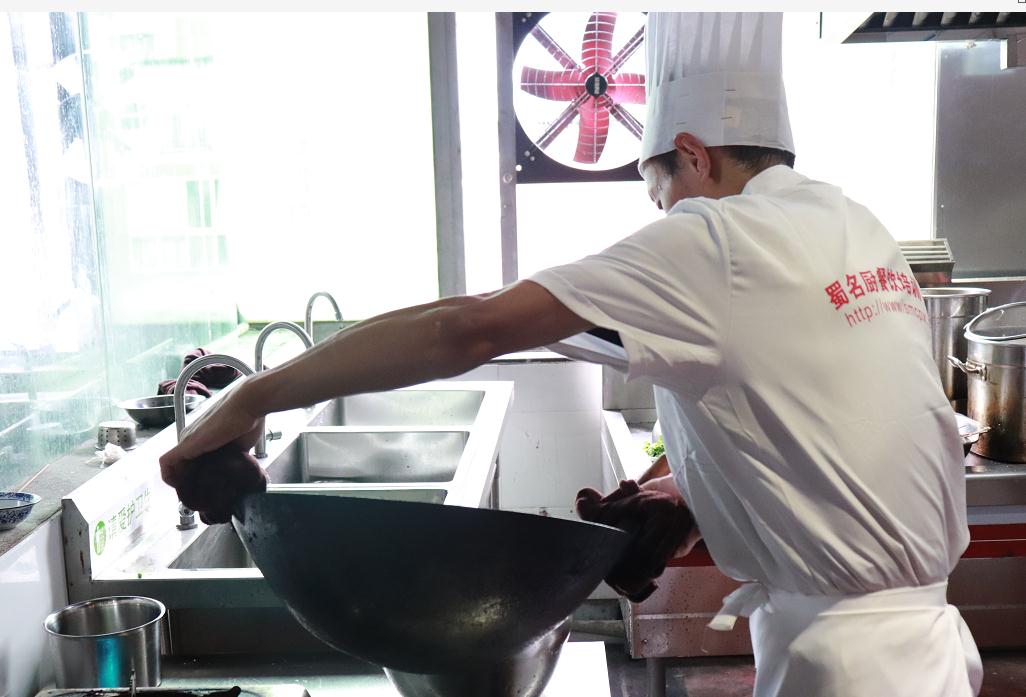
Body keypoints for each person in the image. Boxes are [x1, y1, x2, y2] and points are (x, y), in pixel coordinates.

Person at [160, 11, 981, 697]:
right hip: (924, 650)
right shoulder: (853, 224)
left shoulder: (718, 240)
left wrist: (251, 397)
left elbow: (466, 329)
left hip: (847, 668)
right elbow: (822, 423)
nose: (663, 217)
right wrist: (685, 495)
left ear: (695, 154)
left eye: (661, 194)